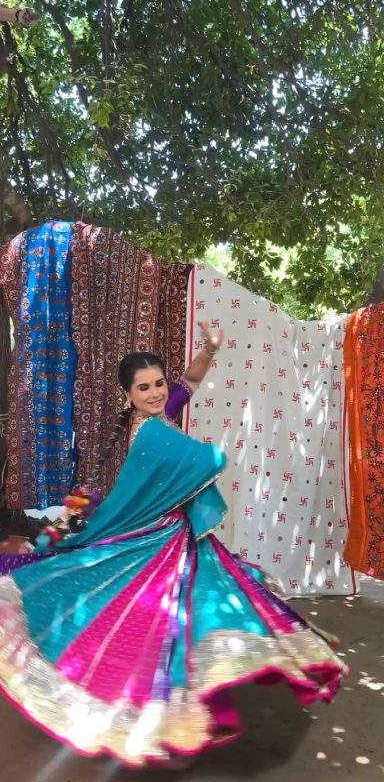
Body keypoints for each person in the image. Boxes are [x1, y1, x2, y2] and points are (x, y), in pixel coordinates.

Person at [0, 322, 348, 768]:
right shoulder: (150, 433)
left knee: (195, 614)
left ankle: (186, 712)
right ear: (128, 394)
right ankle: (160, 719)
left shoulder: (159, 416)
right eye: (143, 387)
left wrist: (210, 350)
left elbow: (191, 381)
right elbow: (203, 461)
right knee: (154, 622)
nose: (156, 392)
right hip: (157, 538)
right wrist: (214, 457)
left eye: (159, 383)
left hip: (179, 535)